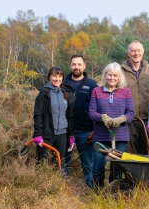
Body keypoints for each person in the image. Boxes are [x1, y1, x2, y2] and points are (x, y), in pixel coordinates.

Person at [89, 62, 134, 188]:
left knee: (117, 169)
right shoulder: (96, 91)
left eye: (115, 75)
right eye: (109, 75)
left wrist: (121, 118)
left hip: (120, 136)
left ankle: (114, 193)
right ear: (105, 75)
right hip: (100, 136)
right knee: (98, 167)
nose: (112, 78)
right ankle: (97, 193)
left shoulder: (126, 92)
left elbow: (131, 113)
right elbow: (91, 113)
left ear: (119, 77)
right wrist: (102, 117)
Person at [63, 54, 98, 188]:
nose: (76, 67)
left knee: (88, 163)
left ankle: (91, 190)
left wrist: (95, 129)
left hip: (85, 130)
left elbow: (98, 107)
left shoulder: (92, 85)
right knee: (63, 161)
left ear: (84, 66)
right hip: (66, 130)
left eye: (79, 64)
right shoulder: (63, 84)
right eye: (74, 64)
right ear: (70, 66)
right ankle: (61, 191)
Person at [33, 66, 75, 170]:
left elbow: (70, 117)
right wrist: (38, 134)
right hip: (46, 134)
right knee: (41, 164)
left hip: (62, 135)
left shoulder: (66, 95)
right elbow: (37, 116)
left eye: (60, 76)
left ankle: (56, 184)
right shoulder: (43, 94)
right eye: (54, 76)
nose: (57, 79)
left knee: (58, 164)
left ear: (62, 78)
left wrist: (71, 135)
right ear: (49, 77)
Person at [121, 40, 149, 155]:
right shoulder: (121, 71)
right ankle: (132, 173)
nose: (136, 53)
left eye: (138, 50)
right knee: (131, 152)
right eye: (133, 51)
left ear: (143, 52)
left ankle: (148, 173)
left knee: (148, 151)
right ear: (128, 53)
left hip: (147, 119)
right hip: (129, 120)